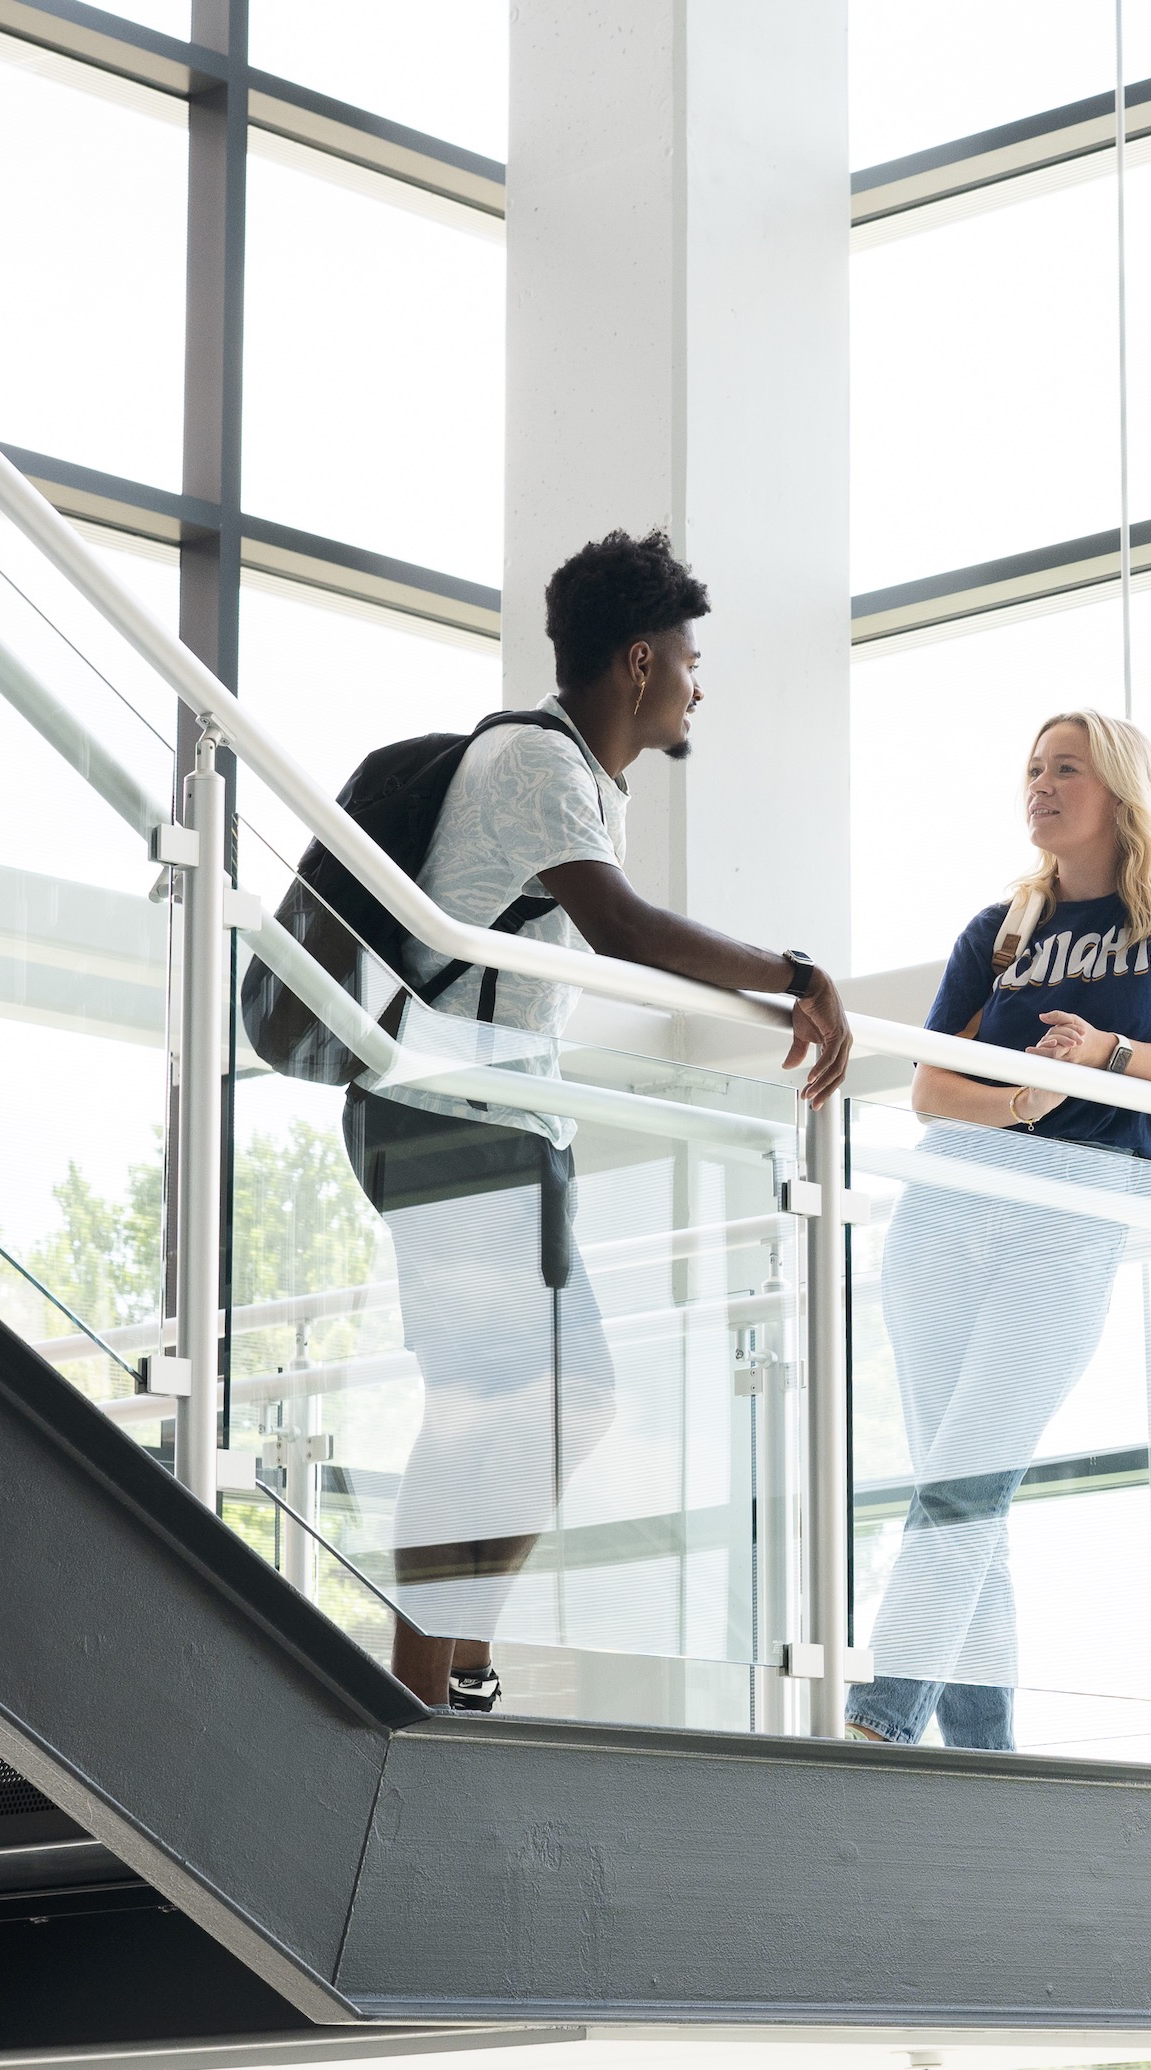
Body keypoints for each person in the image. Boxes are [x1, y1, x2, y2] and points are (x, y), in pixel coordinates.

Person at [345, 527, 855, 1712]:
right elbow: (624, 929)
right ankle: (422, 1689)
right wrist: (790, 972)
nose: (695, 683)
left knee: (556, 1398)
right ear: (636, 662)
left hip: (493, 1122)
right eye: (687, 659)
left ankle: (446, 1670)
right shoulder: (539, 765)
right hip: (448, 1117)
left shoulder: (572, 776)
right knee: (514, 1399)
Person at [848, 710, 1151, 1748]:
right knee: (958, 1482)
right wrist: (1025, 1101)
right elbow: (932, 1088)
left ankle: (879, 1720)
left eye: (1064, 769)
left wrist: (1104, 1058)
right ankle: (981, 1759)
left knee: (969, 1476)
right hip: (949, 1204)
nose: (1038, 786)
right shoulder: (998, 930)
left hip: (1074, 1213)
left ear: (1120, 792)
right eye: (1032, 769)